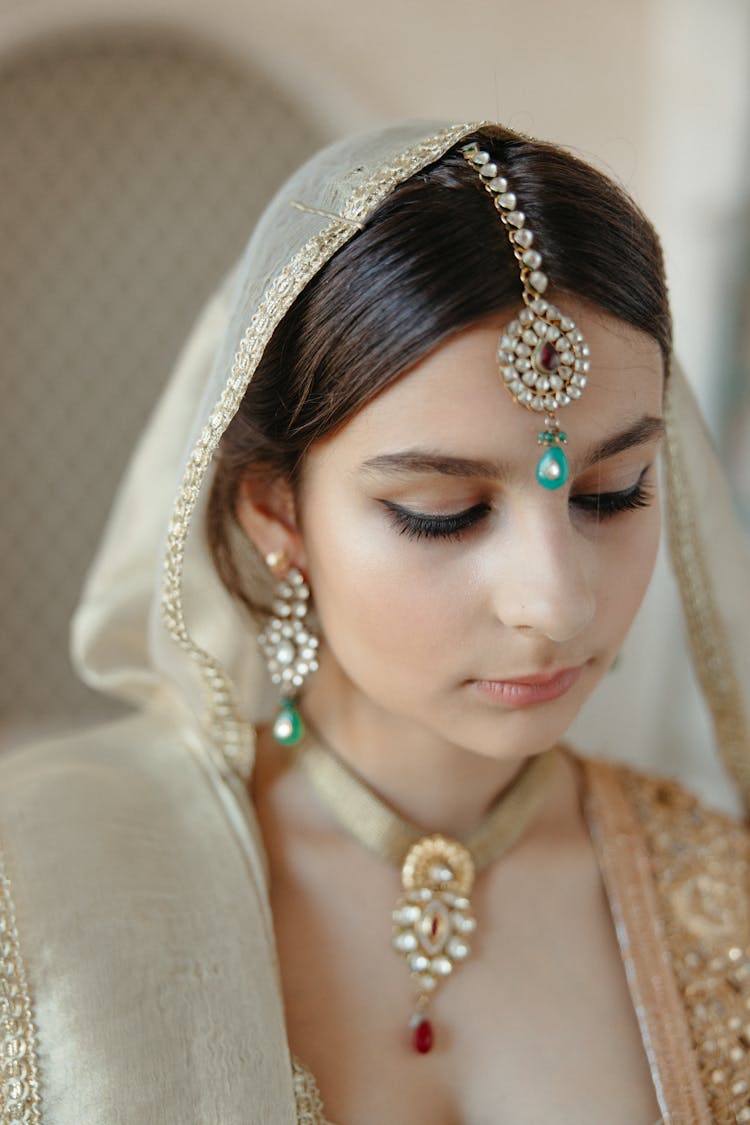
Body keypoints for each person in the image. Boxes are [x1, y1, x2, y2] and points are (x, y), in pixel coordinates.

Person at [1, 120, 749, 1124]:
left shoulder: (722, 903)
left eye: (610, 493)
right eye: (444, 512)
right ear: (275, 511)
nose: (557, 600)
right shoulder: (44, 895)